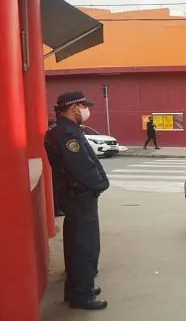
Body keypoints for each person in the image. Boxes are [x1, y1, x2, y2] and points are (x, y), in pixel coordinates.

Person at [44, 90, 109, 310]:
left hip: (73, 197)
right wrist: (101, 184)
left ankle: (78, 287)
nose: (86, 110)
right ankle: (82, 294)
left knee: (75, 244)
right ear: (74, 108)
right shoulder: (67, 134)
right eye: (84, 106)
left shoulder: (62, 131)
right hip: (79, 197)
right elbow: (82, 167)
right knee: (85, 246)